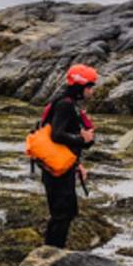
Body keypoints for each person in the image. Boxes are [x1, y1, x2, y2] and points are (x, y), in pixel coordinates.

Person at [34, 65, 98, 248]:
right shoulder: (65, 105)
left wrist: (77, 164)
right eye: (89, 87)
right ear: (80, 87)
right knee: (62, 214)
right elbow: (57, 135)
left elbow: (64, 139)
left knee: (67, 212)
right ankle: (51, 252)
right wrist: (82, 138)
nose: (92, 91)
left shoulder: (68, 103)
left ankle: (53, 250)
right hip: (56, 170)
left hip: (63, 166)